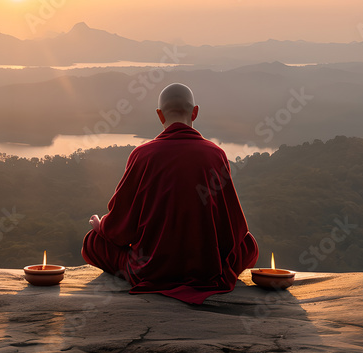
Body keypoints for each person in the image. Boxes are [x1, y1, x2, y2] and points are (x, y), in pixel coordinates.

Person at [81, 83, 258, 304]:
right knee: (249, 245)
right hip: (207, 270)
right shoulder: (216, 155)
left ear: (159, 115)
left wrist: (101, 226)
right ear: (195, 112)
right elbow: (235, 229)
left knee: (92, 242)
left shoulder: (142, 155)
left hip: (148, 270)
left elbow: (121, 229)